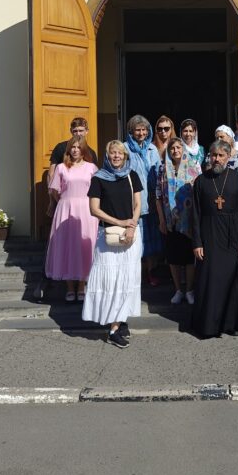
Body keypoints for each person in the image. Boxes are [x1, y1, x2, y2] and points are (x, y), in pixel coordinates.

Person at [82, 141, 143, 348]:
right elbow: (94, 209)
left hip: (130, 234)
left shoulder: (131, 175)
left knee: (127, 279)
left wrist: (132, 226)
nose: (116, 156)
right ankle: (113, 328)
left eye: (120, 153)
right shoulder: (98, 178)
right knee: (111, 281)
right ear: (107, 155)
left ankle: (119, 321)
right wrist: (120, 222)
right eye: (112, 153)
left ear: (125, 156)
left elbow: (138, 205)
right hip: (108, 235)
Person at [191, 140, 238, 338]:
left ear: (228, 157)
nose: (216, 159)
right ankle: (209, 326)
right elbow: (195, 215)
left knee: (232, 282)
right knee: (211, 281)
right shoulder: (201, 181)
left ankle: (231, 324)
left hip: (233, 238)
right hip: (209, 237)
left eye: (220, 155)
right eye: (213, 155)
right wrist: (197, 242)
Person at [45, 138, 98, 301]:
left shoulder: (92, 167)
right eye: (72, 147)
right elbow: (55, 190)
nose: (75, 150)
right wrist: (65, 200)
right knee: (67, 246)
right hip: (65, 208)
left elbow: (97, 189)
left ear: (83, 150)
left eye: (78, 147)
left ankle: (82, 285)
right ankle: (69, 287)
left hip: (86, 210)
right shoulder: (61, 168)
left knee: (84, 246)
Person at [156, 136, 200, 305]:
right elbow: (158, 195)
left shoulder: (193, 166)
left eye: (178, 148)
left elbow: (199, 192)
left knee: (189, 258)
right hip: (169, 220)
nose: (175, 151)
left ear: (183, 150)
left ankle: (189, 290)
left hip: (187, 220)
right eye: (172, 148)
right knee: (173, 258)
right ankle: (178, 290)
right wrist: (161, 219)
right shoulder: (162, 169)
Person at [125, 114, 163, 287]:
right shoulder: (125, 148)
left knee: (152, 243)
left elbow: (158, 172)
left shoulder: (153, 149)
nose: (141, 133)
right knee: (135, 243)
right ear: (131, 132)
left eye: (143, 130)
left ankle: (151, 273)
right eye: (137, 130)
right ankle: (135, 276)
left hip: (152, 201)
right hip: (134, 203)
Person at [48, 117, 98, 182]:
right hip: (64, 190)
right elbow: (51, 173)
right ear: (71, 131)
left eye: (81, 131)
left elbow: (94, 177)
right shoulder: (61, 147)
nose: (78, 134)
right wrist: (52, 190)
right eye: (75, 131)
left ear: (87, 131)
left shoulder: (91, 152)